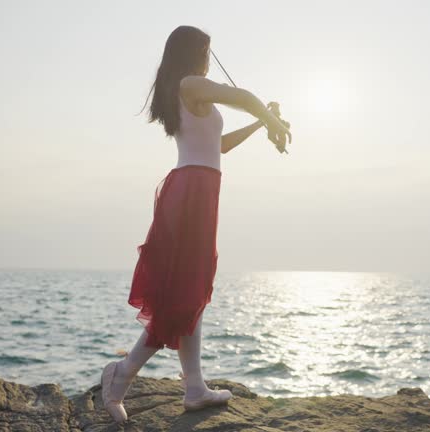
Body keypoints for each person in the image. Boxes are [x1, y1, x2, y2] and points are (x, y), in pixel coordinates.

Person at [100, 25, 292, 424]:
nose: (209, 57)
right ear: (195, 53)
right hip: (191, 193)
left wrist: (262, 123)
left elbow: (218, 146)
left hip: (200, 189)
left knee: (194, 289)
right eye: (207, 50)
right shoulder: (191, 83)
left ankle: (193, 388)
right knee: (183, 293)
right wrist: (268, 117)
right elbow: (241, 96)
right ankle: (121, 375)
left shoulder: (187, 90)